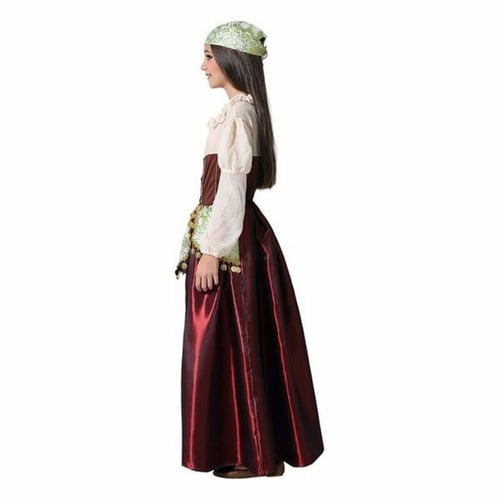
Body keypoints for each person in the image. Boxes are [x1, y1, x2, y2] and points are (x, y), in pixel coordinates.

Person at [175, 20, 324, 479]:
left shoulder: (240, 115)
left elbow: (231, 191)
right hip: (230, 237)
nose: (202, 66)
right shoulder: (236, 113)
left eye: (208, 56)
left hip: (230, 243)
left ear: (230, 59)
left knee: (235, 341)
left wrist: (213, 250)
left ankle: (256, 452)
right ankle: (245, 445)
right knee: (228, 343)